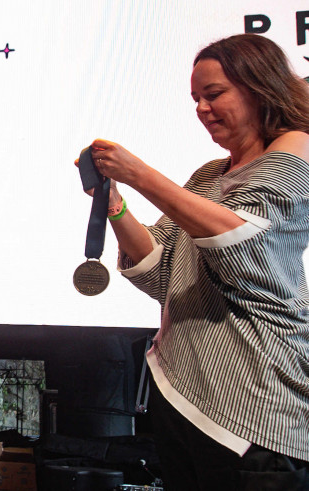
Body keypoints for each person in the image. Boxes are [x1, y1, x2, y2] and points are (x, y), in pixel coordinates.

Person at [81, 33, 309, 489]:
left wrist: (140, 174)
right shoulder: (208, 175)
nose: (202, 109)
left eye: (214, 94)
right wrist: (115, 205)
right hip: (184, 397)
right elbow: (163, 270)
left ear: (260, 88)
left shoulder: (295, 153)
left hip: (253, 408)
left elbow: (242, 241)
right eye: (196, 98)